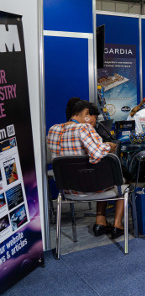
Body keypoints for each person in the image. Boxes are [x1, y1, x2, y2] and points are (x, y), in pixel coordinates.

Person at [47, 100, 124, 239]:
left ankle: (101, 221)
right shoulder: (84, 128)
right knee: (118, 180)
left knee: (101, 175)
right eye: (94, 118)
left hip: (67, 190)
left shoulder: (53, 129)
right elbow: (96, 155)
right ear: (86, 113)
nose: (94, 123)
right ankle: (117, 225)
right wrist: (108, 146)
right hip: (91, 188)